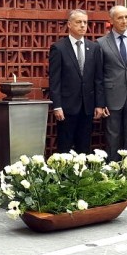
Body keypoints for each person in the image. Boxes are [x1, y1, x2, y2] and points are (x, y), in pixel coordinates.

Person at [48, 9, 105, 156]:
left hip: (87, 107)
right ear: (69, 24)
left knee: (84, 147)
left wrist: (99, 104)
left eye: (85, 22)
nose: (82, 25)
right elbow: (55, 80)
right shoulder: (59, 48)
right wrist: (57, 105)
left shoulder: (94, 48)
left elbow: (98, 78)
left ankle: (82, 178)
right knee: (65, 148)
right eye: (78, 22)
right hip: (67, 107)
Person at [97, 6, 127, 160]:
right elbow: (98, 76)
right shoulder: (101, 43)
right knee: (113, 138)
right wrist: (101, 102)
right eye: (120, 18)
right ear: (111, 20)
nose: (124, 21)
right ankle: (113, 175)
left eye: (126, 17)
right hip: (112, 98)